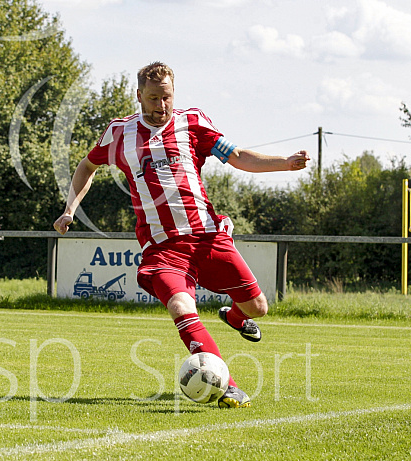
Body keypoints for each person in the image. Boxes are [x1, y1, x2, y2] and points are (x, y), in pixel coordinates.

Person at [54, 62, 309, 408]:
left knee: (258, 307)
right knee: (179, 304)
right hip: (161, 247)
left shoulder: (192, 122)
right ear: (139, 96)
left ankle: (235, 316)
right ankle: (228, 386)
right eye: (154, 98)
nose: (162, 106)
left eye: (167, 97)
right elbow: (87, 165)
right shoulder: (119, 133)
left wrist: (284, 162)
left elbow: (236, 156)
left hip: (206, 237)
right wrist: (70, 208)